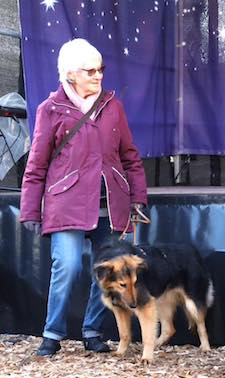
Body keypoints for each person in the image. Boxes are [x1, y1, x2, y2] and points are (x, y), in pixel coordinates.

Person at [19, 38, 148, 357]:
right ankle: (52, 333)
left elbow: (130, 156)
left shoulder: (113, 106)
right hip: (67, 202)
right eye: (91, 70)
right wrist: (30, 211)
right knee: (68, 265)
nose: (99, 75)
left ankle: (92, 330)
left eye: (101, 68)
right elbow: (36, 164)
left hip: (110, 203)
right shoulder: (49, 109)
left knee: (109, 269)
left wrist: (137, 196)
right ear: (70, 74)